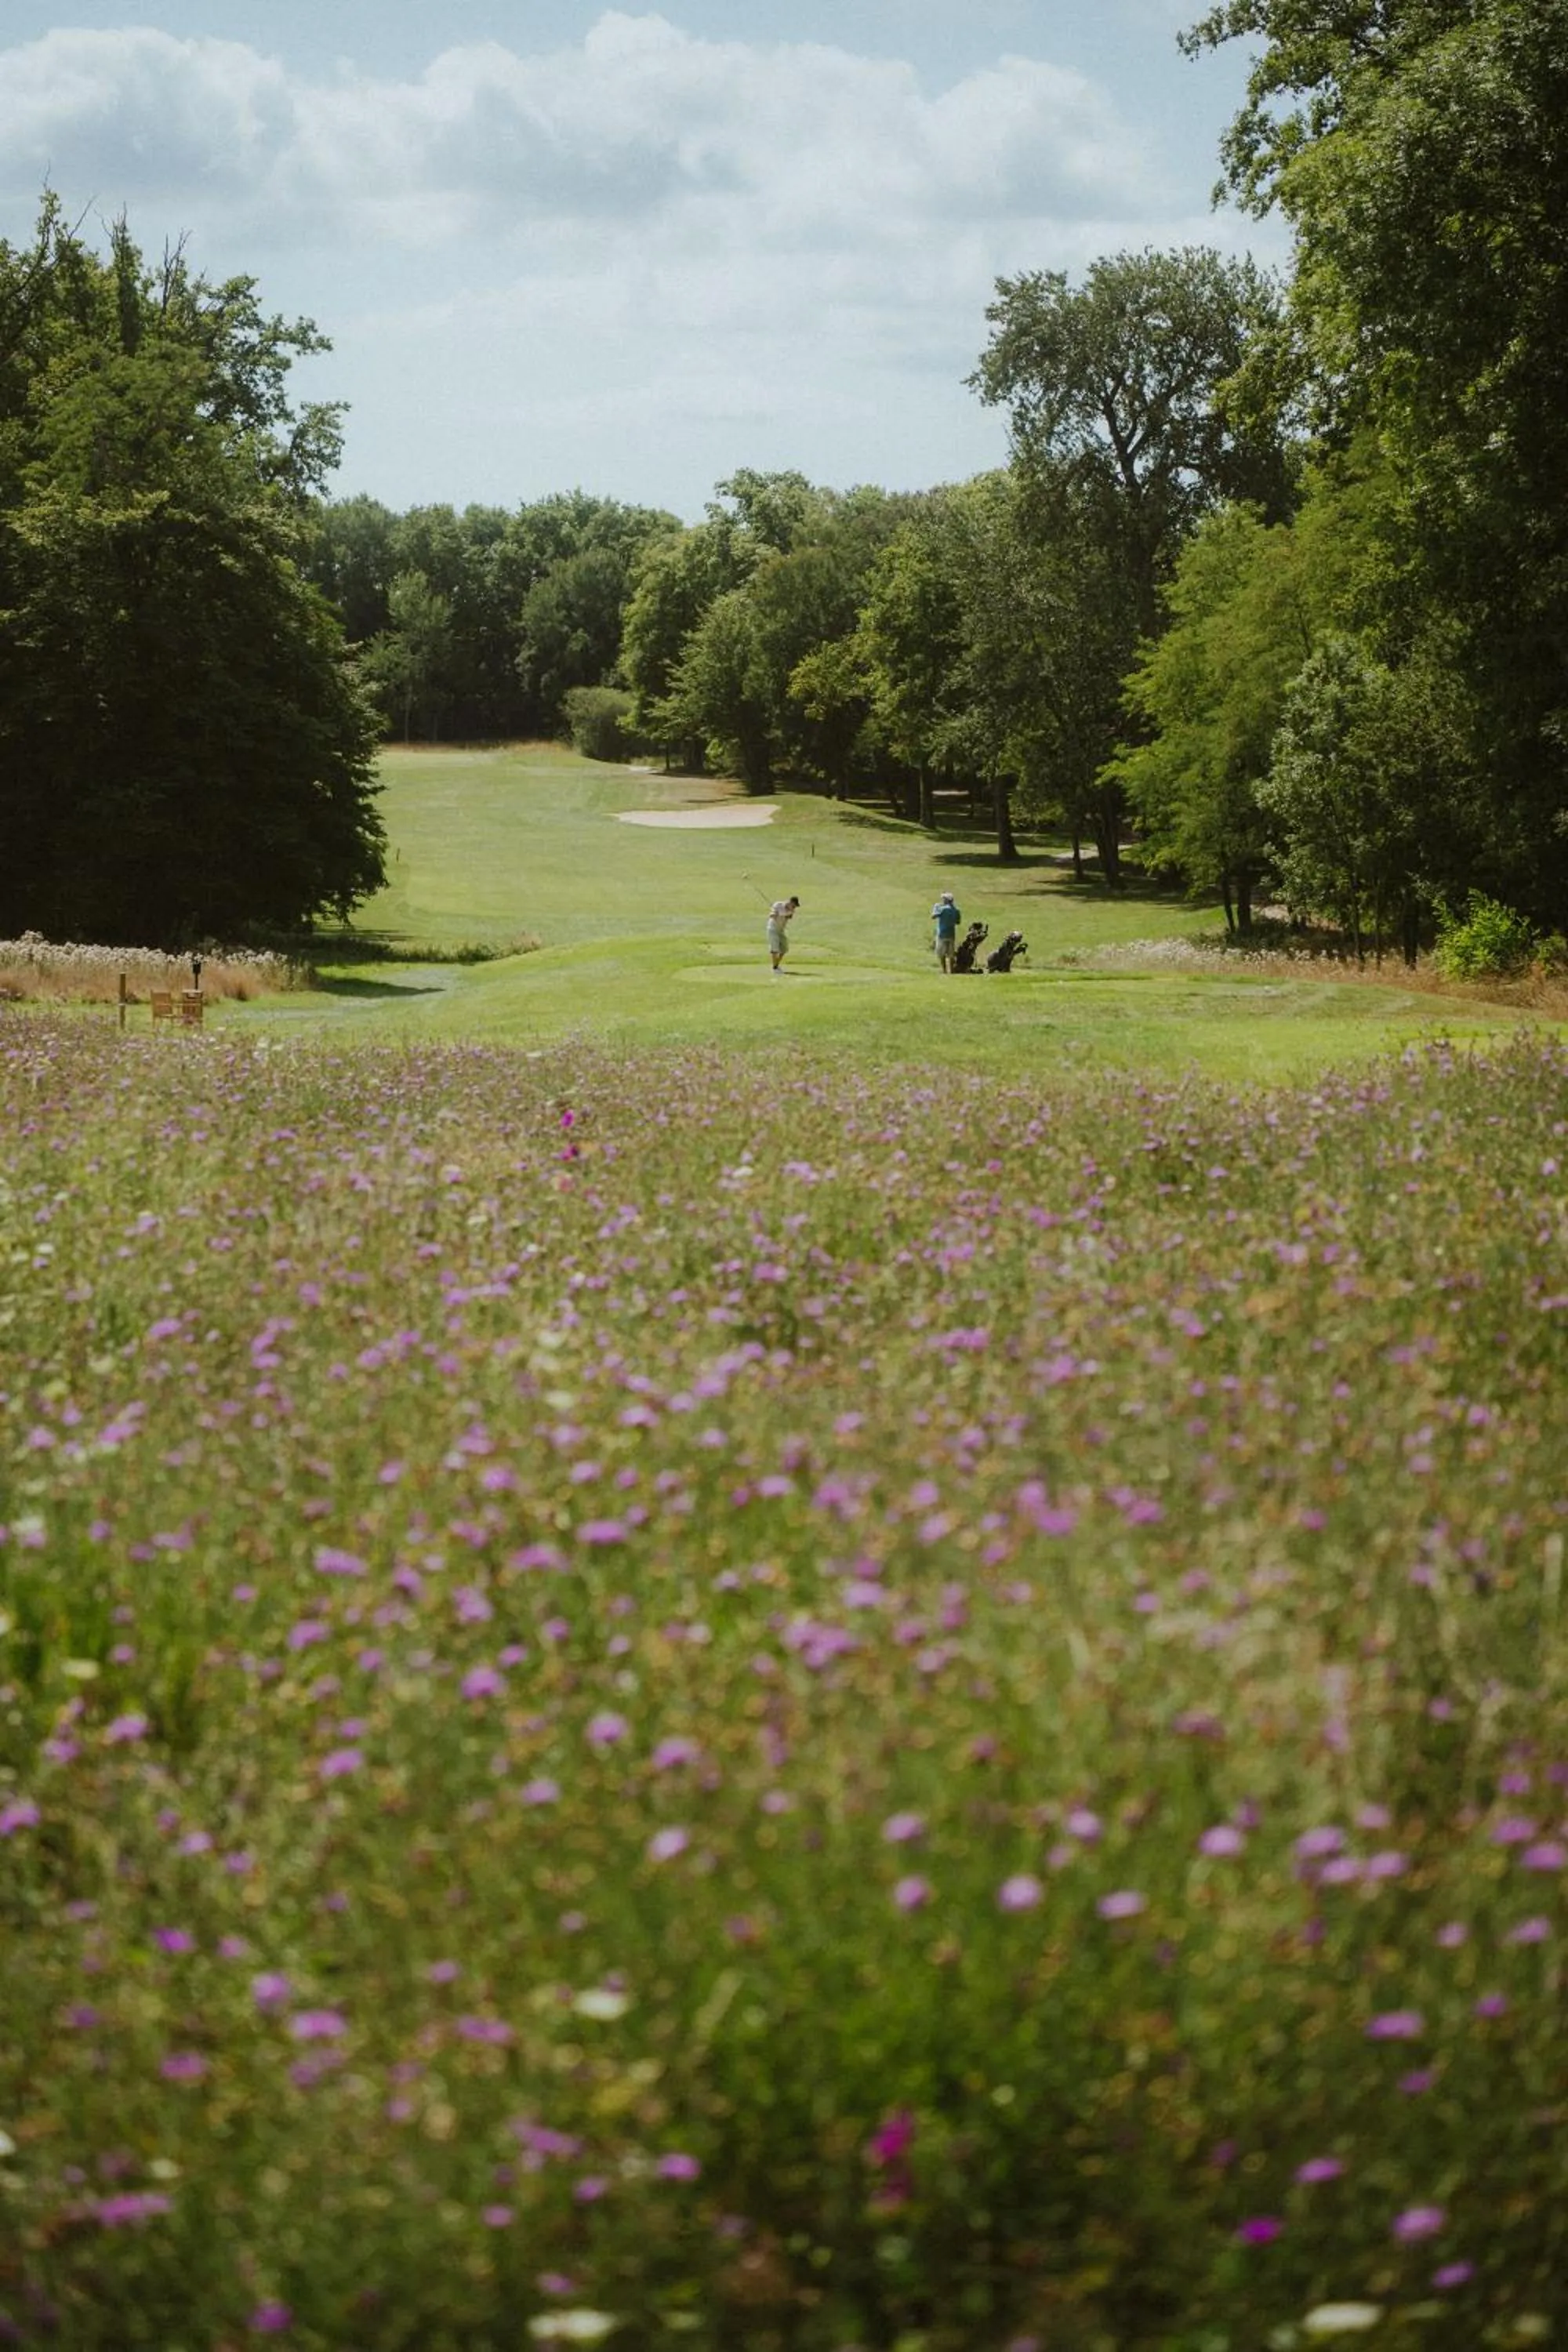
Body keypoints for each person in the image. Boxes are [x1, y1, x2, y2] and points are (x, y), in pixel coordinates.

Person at [767, 895, 799, 971]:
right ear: (790, 902)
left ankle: (776, 965)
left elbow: (789, 916)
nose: (794, 908)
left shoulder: (791, 911)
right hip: (773, 929)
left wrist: (782, 914)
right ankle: (775, 968)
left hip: (781, 930)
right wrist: (775, 914)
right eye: (794, 906)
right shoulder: (778, 905)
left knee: (784, 949)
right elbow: (771, 915)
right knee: (775, 949)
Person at [931, 891, 961, 972]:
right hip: (951, 934)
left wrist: (936, 907)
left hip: (942, 934)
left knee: (942, 954)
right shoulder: (957, 910)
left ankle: (944, 970)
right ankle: (951, 970)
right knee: (951, 954)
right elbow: (958, 922)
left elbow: (933, 916)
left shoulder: (942, 909)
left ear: (946, 900)